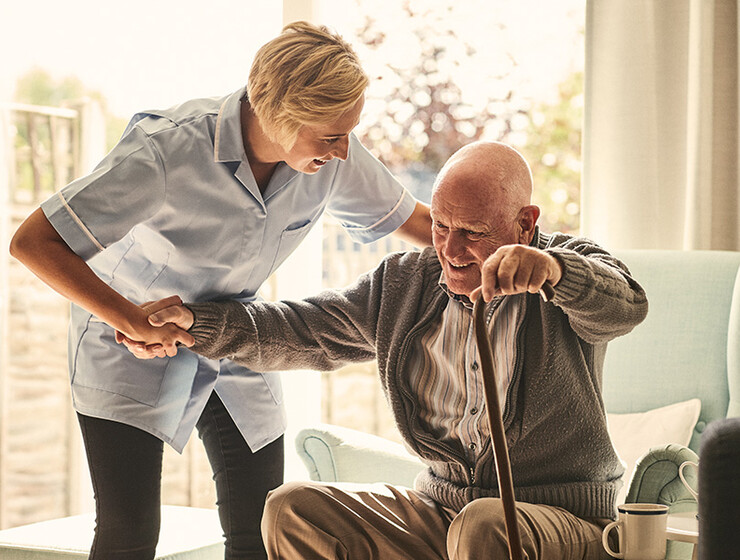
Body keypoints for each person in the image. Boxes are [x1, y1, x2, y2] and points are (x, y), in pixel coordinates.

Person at [8, 21, 432, 560]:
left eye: (348, 132)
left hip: (234, 336)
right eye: (331, 136)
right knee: (129, 532)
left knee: (261, 528)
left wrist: (507, 250)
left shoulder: (327, 155)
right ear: (279, 114)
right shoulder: (166, 151)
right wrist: (128, 317)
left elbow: (416, 220)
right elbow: (34, 241)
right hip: (129, 344)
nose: (345, 152)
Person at [134, 141, 648, 559]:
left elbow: (626, 306)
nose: (450, 249)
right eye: (442, 226)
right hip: (442, 512)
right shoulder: (406, 284)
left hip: (566, 522)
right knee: (292, 508)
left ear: (524, 222)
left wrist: (554, 272)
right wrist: (197, 324)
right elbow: (302, 328)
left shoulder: (565, 266)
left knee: (485, 524)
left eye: (473, 233)